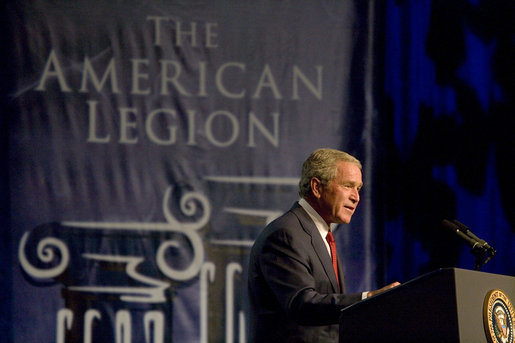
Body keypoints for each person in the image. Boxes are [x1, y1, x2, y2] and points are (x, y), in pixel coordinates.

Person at [247, 148, 400, 343]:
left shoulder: (321, 235)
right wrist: (368, 299)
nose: (356, 197)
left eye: (358, 188)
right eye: (348, 186)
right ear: (317, 187)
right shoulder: (285, 235)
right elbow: (301, 304)